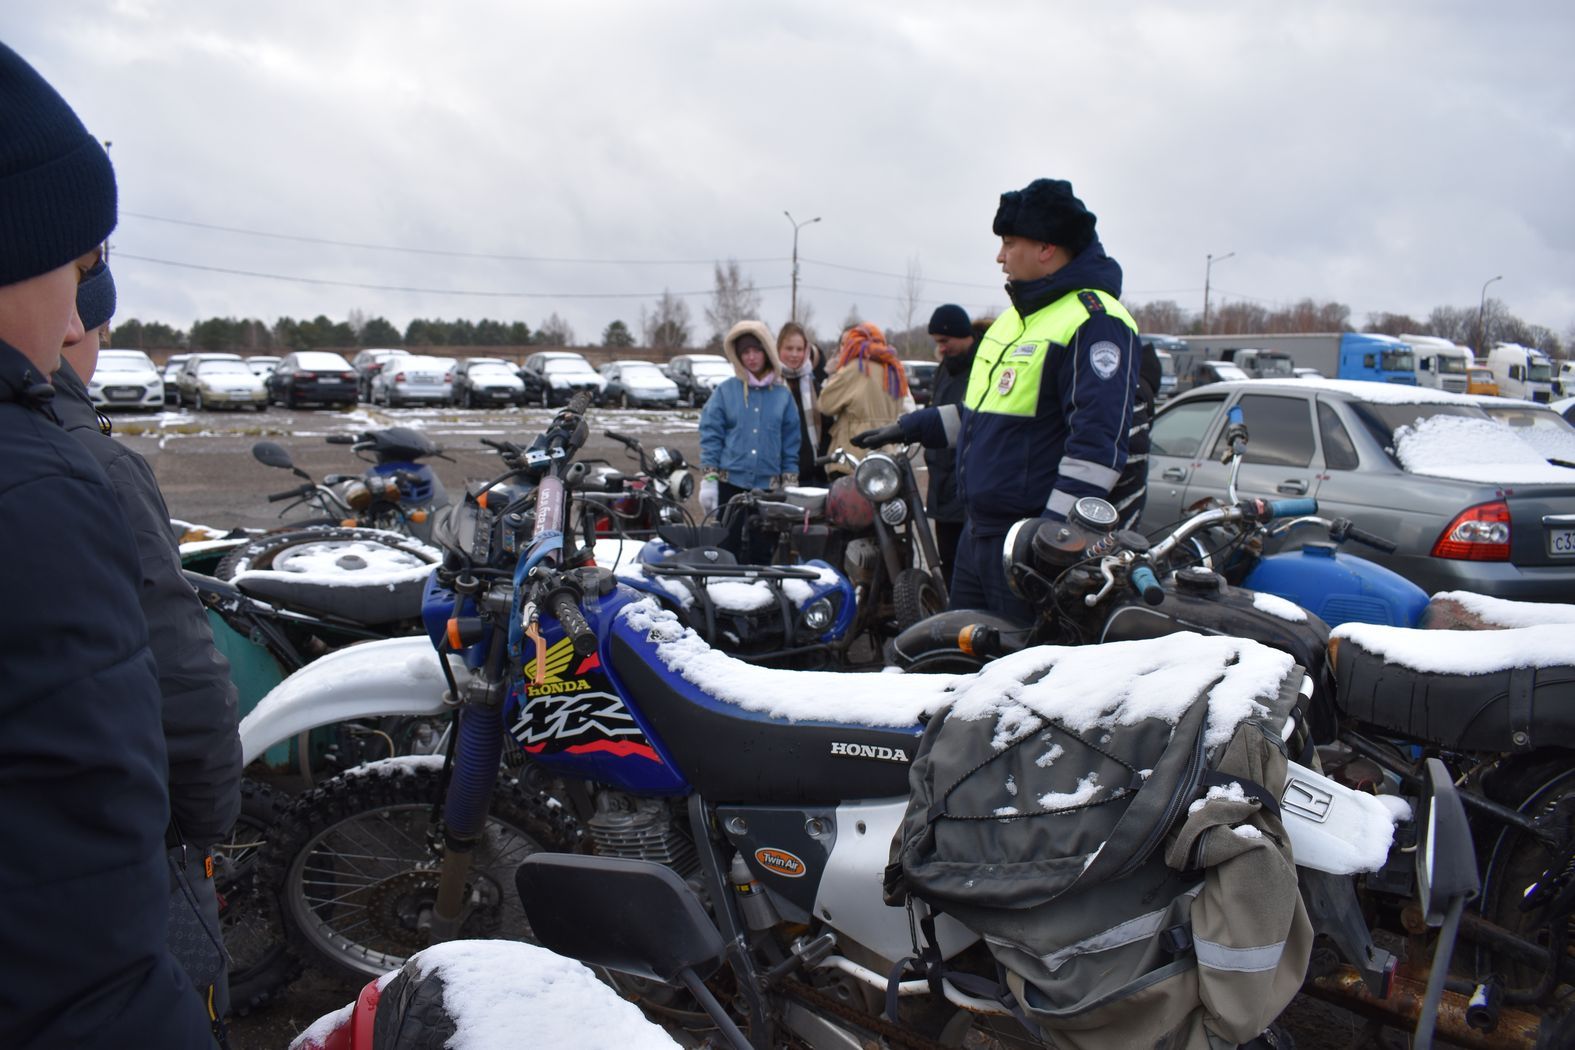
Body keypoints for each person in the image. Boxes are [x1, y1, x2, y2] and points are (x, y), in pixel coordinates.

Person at [0, 42, 213, 1048]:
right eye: (79, 265)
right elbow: (83, 958)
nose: (82, 308)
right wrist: (208, 826)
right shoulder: (44, 487)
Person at [54, 258, 243, 1034]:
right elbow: (182, 680)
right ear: (81, 326)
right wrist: (205, 821)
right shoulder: (98, 466)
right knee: (186, 1004)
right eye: (100, 327)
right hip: (124, 842)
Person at [855, 178, 1147, 620]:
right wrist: (912, 426)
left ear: (1046, 247)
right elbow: (981, 416)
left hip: (1027, 546)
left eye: (1009, 243)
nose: (999, 256)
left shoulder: (1094, 320)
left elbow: (1097, 448)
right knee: (962, 663)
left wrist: (1051, 538)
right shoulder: (1013, 321)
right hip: (979, 535)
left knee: (1015, 677)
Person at [697, 320, 801, 560]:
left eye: (756, 350)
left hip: (768, 490)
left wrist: (790, 481)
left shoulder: (782, 396)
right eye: (745, 352)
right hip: (730, 485)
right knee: (726, 550)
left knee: (763, 551)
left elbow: (790, 442)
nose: (751, 357)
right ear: (738, 356)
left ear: (767, 352)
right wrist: (709, 479)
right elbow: (711, 434)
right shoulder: (726, 391)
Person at [921, 304, 980, 589]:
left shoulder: (982, 366)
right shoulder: (944, 370)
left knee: (968, 565)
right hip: (941, 484)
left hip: (967, 486)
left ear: (963, 335)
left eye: (945, 341)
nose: (941, 348)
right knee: (947, 560)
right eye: (937, 343)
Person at [819, 321, 908, 475]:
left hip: (854, 457)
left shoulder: (855, 368)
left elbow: (825, 405)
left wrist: (834, 374)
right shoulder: (894, 369)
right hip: (887, 456)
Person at [775, 320, 826, 485]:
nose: (795, 354)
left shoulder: (813, 385)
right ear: (778, 349)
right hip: (777, 474)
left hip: (812, 475)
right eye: (789, 348)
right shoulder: (770, 384)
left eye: (799, 349)